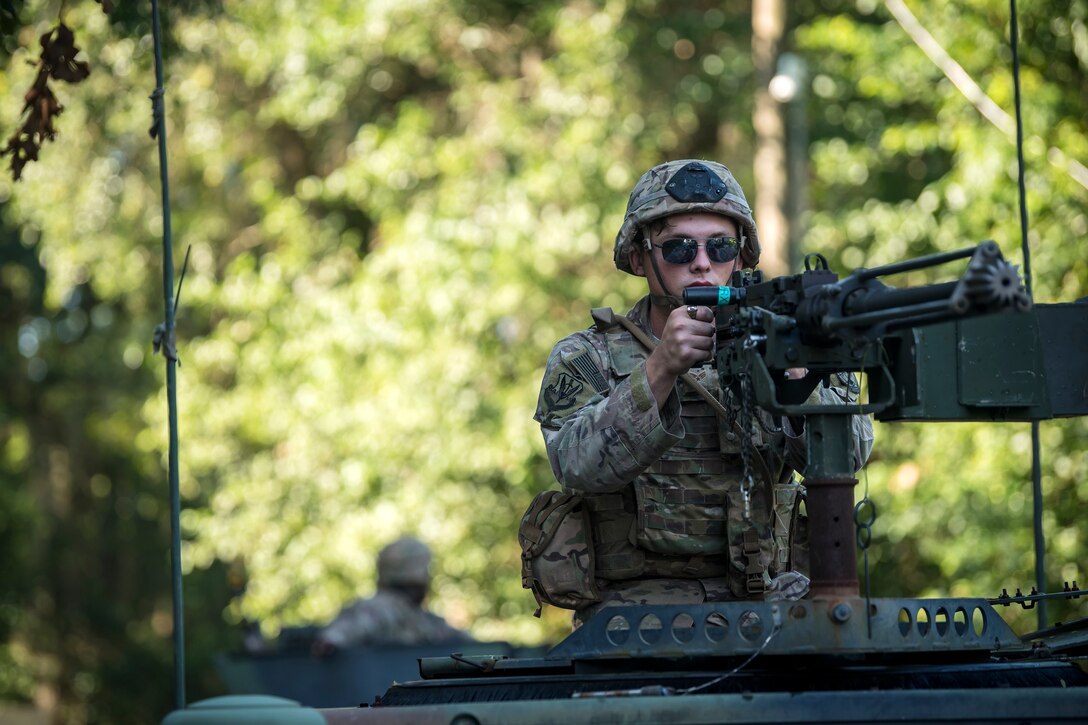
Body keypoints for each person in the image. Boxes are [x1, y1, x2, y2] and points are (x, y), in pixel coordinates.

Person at [529, 159, 874, 625]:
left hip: (771, 604)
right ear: (638, 257)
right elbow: (575, 465)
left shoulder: (796, 345)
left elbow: (849, 455)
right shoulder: (588, 357)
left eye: (721, 246)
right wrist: (660, 368)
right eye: (678, 248)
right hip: (634, 615)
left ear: (740, 256)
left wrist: (793, 372)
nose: (701, 262)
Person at [312, 536, 472, 655]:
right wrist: (331, 641)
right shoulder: (381, 608)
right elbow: (351, 627)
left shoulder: (415, 614)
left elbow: (454, 638)